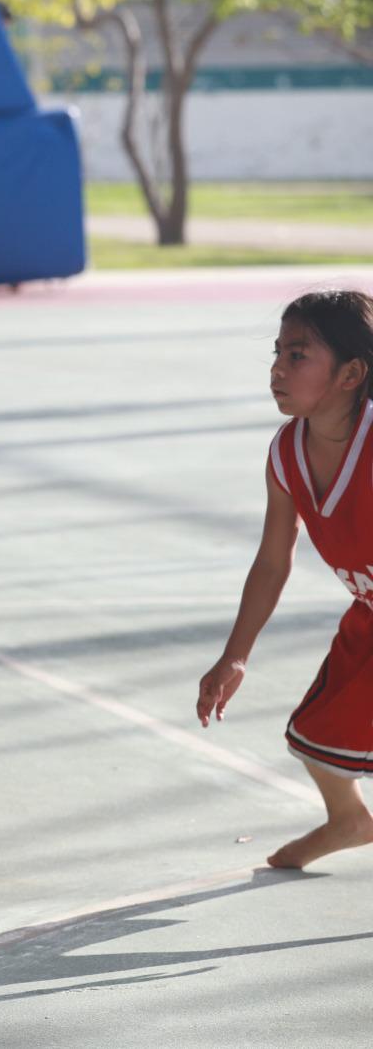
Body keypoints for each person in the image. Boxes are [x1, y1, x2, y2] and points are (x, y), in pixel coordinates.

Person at [199, 290, 373, 869]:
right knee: (317, 739)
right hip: (368, 614)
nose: (277, 367)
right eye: (277, 352)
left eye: (297, 355)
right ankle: (348, 821)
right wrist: (235, 656)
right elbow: (274, 560)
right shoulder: (286, 453)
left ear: (351, 373)